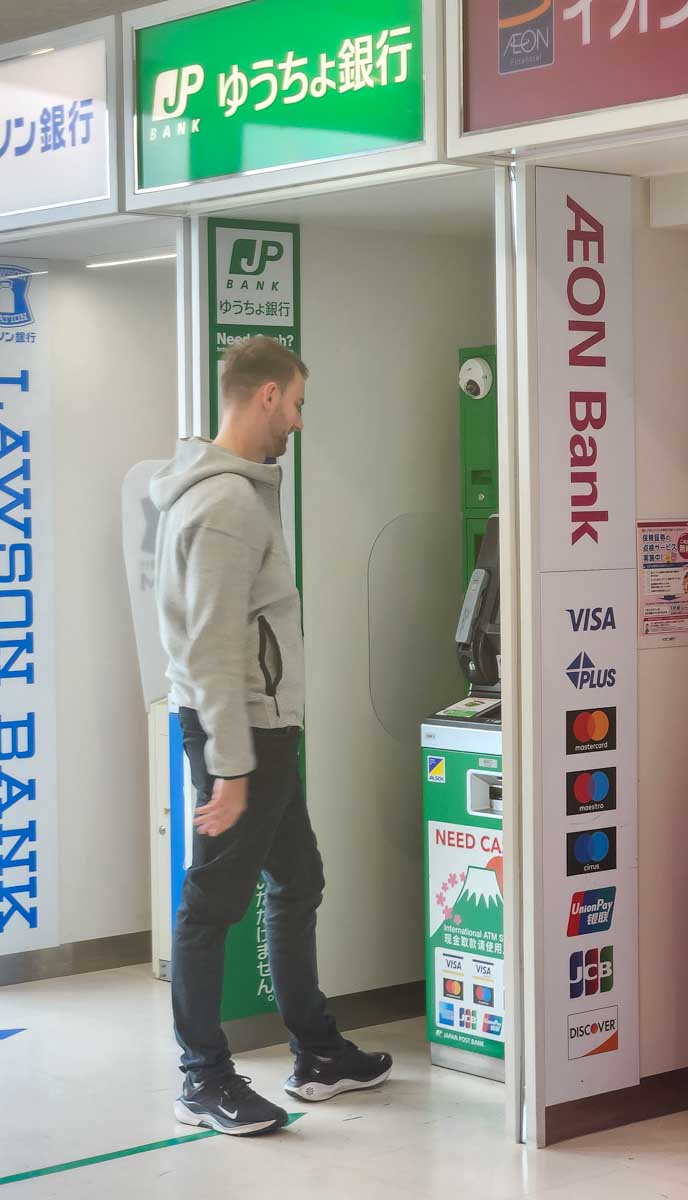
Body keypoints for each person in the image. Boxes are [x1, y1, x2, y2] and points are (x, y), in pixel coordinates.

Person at [151, 335, 392, 1137]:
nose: (297, 420)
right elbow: (212, 647)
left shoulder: (240, 493)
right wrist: (230, 766)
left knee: (298, 879)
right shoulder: (225, 506)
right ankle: (202, 1077)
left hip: (265, 730)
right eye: (296, 403)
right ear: (264, 397)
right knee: (211, 904)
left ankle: (318, 1053)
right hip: (241, 733)